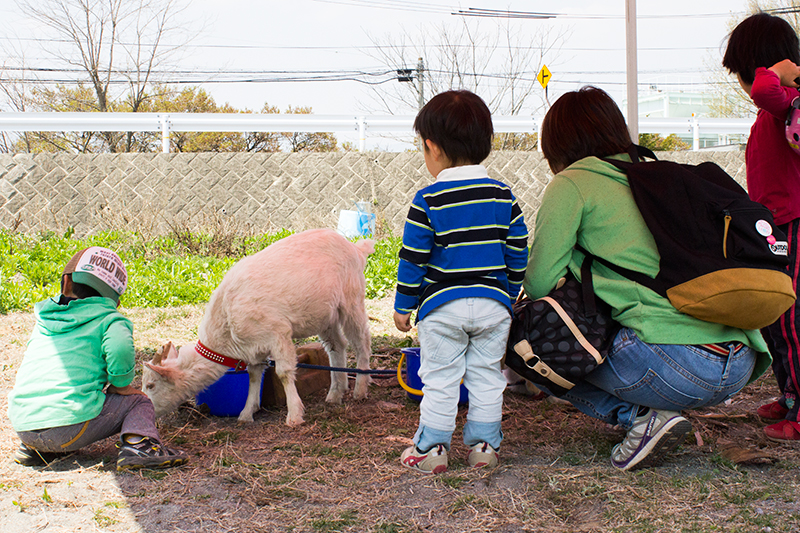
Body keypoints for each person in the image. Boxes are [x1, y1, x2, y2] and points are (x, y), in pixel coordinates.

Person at [523, 86, 771, 471]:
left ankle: (640, 418)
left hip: (676, 367)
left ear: (557, 143)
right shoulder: (656, 174)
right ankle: (661, 412)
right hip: (740, 362)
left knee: (526, 341)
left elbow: (538, 283)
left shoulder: (574, 182)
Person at [393, 89, 529, 474]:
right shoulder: (503, 196)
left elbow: (413, 258)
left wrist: (404, 306)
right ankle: (484, 448)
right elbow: (518, 249)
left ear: (432, 147)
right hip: (492, 306)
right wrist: (508, 292)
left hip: (443, 307)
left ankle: (432, 449)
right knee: (487, 377)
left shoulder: (427, 200)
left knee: (440, 379)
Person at [8, 247, 188, 471]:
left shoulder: (44, 319)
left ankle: (35, 449)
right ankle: (139, 447)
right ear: (116, 302)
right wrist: (121, 385)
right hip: (68, 428)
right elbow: (120, 348)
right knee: (139, 402)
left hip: (24, 425)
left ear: (66, 283)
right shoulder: (109, 320)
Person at [722, 12, 800, 444]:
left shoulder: (788, 99)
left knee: (791, 319)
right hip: (777, 226)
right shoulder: (776, 108)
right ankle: (790, 395)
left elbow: (764, 89)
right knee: (776, 318)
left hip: (795, 222)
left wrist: (779, 71)